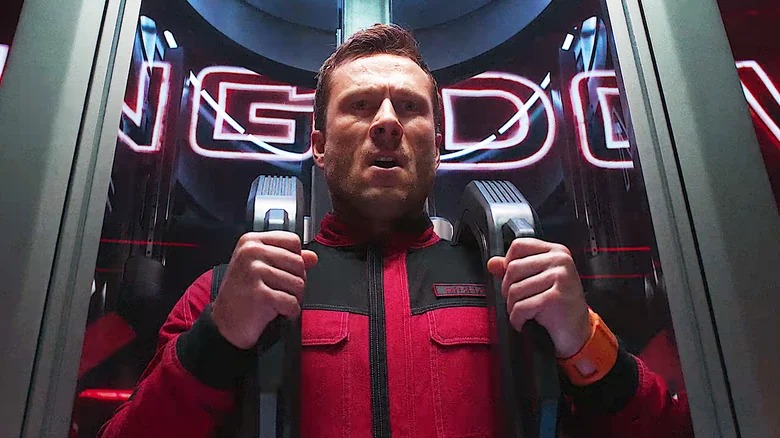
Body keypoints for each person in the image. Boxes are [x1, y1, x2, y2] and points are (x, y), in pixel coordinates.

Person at [99, 24, 692, 437]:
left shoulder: (517, 286)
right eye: (360, 106)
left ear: (438, 143)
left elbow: (666, 429)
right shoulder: (225, 292)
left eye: (409, 107)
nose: (387, 123)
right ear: (319, 146)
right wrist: (218, 338)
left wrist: (582, 341)